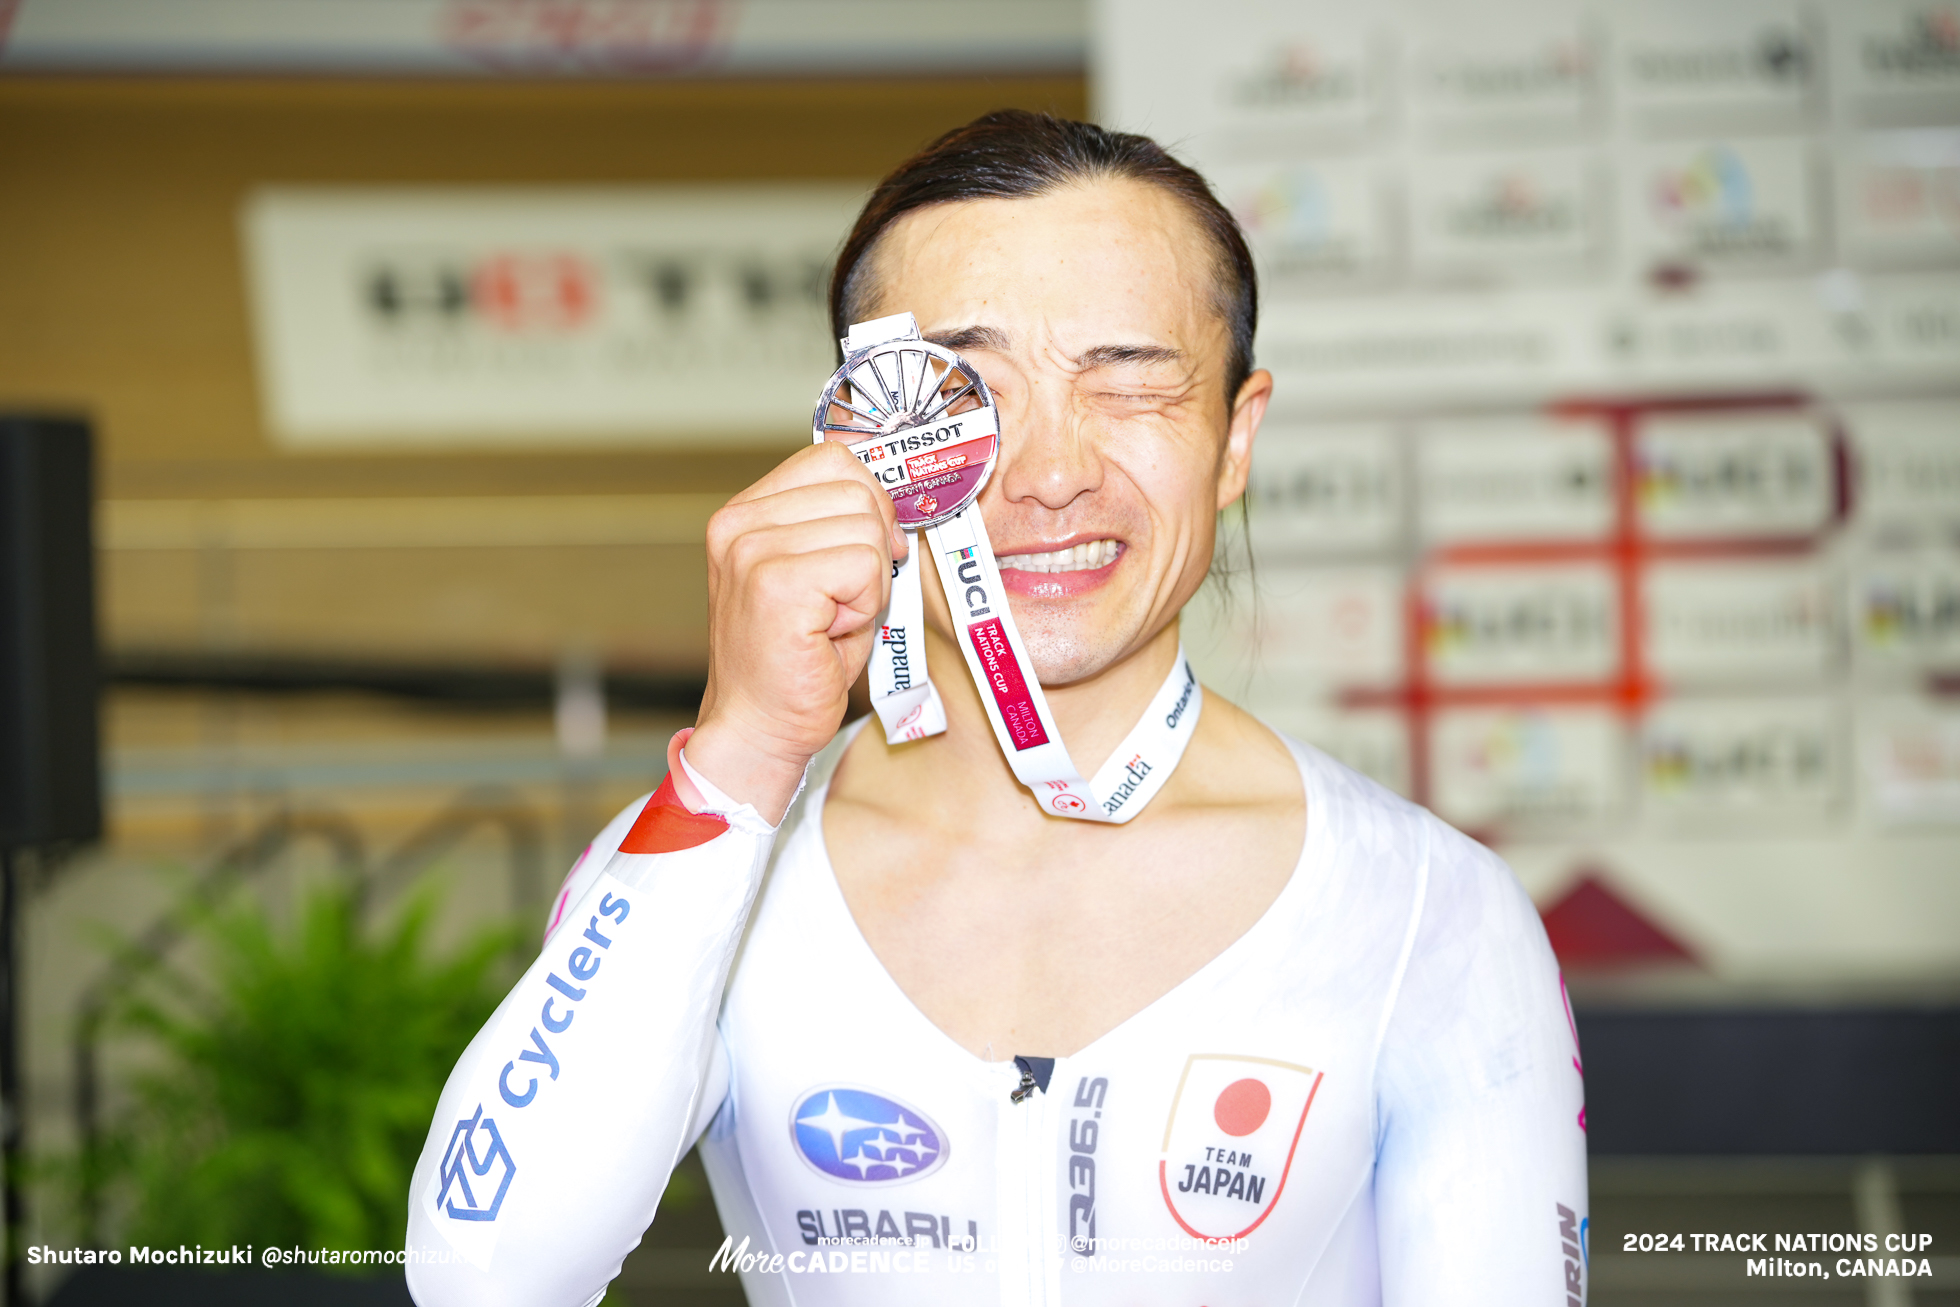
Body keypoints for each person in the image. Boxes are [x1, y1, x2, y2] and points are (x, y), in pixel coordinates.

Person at [404, 111, 1590, 1307]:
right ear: (855, 443)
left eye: (1128, 381)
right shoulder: (712, 858)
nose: (1048, 470)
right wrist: (743, 752)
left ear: (1235, 439)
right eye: (961, 394)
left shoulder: (1427, 906)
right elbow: (479, 1274)